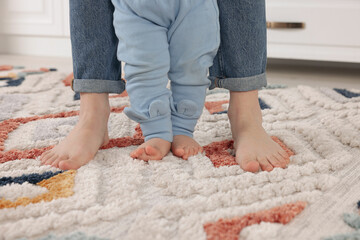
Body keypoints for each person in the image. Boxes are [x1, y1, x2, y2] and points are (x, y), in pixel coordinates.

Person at [40, 0, 290, 173]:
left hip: (193, 7)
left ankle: (232, 118)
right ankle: (119, 122)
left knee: (192, 65)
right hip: (136, 7)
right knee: (142, 65)